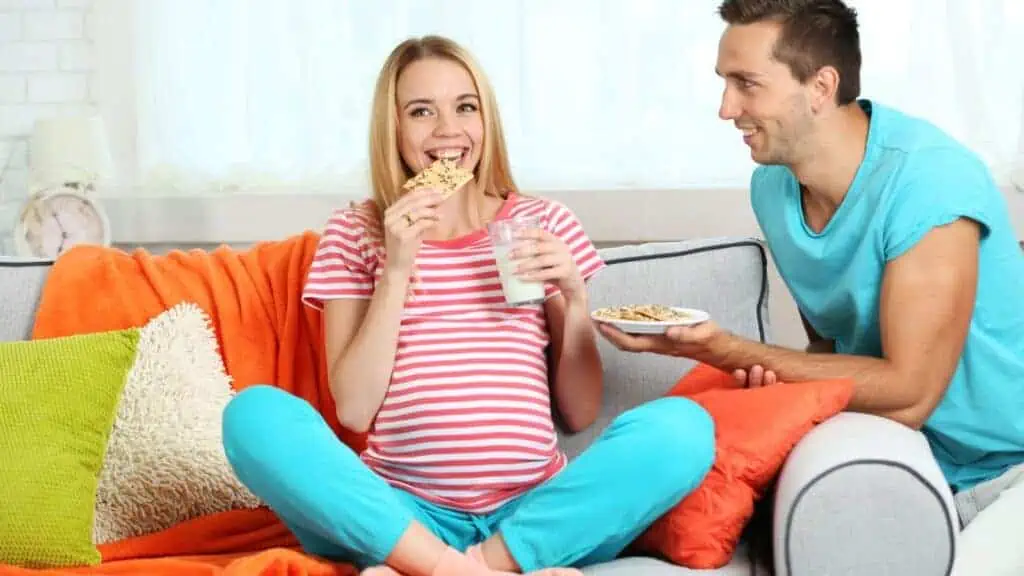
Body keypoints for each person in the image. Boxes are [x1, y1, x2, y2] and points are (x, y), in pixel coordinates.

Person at [220, 35, 716, 576]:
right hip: (403, 519)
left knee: (684, 428)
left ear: (487, 120)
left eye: (465, 107)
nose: (448, 131)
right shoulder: (356, 231)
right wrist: (398, 267)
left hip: (533, 516)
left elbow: (579, 412)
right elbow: (355, 410)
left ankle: (479, 564)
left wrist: (574, 298)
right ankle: (453, 566)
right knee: (253, 416)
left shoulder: (541, 224)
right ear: (394, 129)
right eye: (420, 112)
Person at [597, 1, 1024, 574]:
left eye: (746, 83)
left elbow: (909, 390)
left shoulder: (930, 184)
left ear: (821, 86)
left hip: (1006, 468)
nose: (726, 109)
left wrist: (728, 350)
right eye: (724, 83)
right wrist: (765, 379)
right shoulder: (773, 190)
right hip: (901, 464)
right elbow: (832, 350)